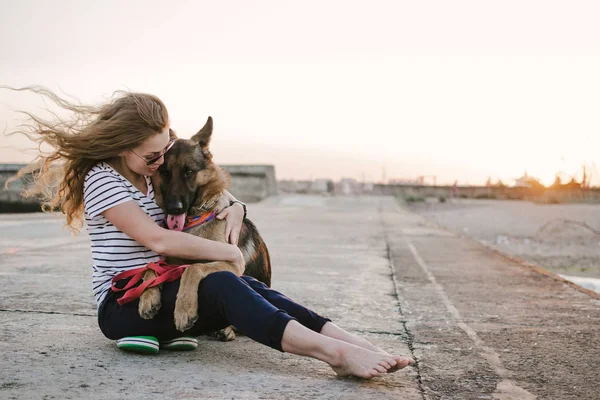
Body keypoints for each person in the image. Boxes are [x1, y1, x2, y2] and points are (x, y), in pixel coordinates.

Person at [6, 86, 414, 379]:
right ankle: (334, 355)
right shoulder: (104, 180)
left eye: (163, 154)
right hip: (124, 306)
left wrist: (235, 205)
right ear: (122, 145)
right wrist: (232, 254)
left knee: (259, 290)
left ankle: (354, 341)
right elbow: (158, 240)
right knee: (223, 283)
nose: (159, 163)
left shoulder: (153, 176)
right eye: (152, 156)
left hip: (167, 290)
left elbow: (207, 187)